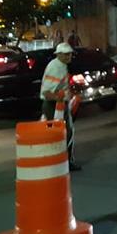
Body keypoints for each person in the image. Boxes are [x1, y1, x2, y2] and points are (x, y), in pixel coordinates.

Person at [40, 43, 81, 171]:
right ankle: (64, 161)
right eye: (66, 54)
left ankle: (59, 160)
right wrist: (60, 99)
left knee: (60, 133)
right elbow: (47, 93)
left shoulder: (60, 65)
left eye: (70, 54)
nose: (69, 56)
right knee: (65, 133)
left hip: (57, 105)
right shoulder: (56, 67)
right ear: (59, 55)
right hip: (54, 106)